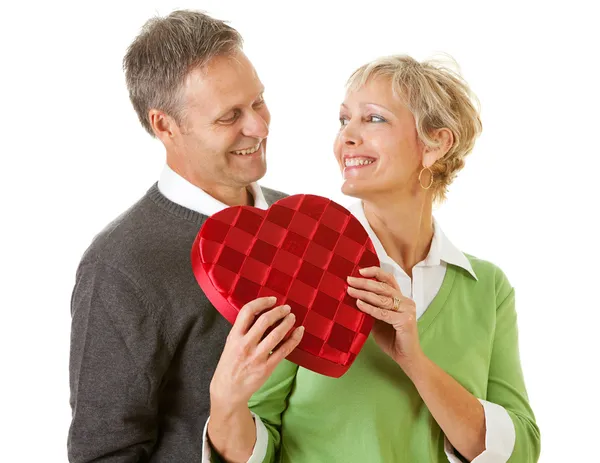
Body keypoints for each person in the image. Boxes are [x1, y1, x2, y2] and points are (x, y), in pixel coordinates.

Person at [206, 56, 541, 462]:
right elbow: (258, 442)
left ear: (436, 143)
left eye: (374, 119)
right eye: (344, 119)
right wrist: (225, 403)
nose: (346, 136)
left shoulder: (487, 288)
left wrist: (413, 361)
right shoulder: (301, 269)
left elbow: (519, 450)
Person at [68, 10, 303, 462]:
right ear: (165, 125)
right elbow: (103, 453)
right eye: (229, 116)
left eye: (258, 102)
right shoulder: (120, 265)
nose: (257, 126)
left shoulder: (300, 222)